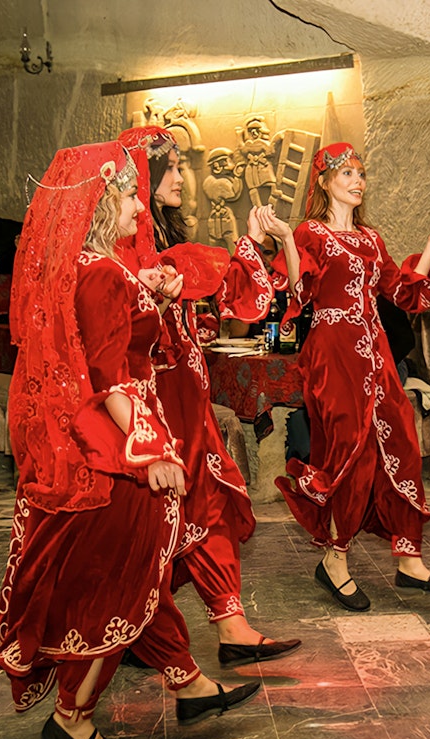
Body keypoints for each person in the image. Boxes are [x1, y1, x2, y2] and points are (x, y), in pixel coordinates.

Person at [0, 139, 257, 739]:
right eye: (131, 194)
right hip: (120, 449)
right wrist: (151, 450)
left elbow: (108, 343)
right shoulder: (104, 273)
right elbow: (112, 376)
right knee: (121, 587)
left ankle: (188, 683)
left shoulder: (91, 268)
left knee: (140, 578)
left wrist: (154, 297)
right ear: (102, 198)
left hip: (110, 440)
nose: (141, 209)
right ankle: (73, 718)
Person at [116, 125, 301, 666]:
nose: (180, 176)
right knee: (160, 517)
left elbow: (223, 292)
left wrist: (248, 244)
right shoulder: (122, 247)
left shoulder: (167, 240)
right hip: (153, 402)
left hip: (186, 395)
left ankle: (229, 627)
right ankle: (131, 626)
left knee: (208, 504)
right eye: (170, 169)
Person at [259, 142, 430, 612]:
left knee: (403, 442)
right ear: (326, 182)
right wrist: (288, 240)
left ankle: (409, 559)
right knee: (349, 450)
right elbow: (296, 288)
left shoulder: (371, 239)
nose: (357, 181)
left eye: (361, 174)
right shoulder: (312, 231)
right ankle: (335, 560)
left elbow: (399, 289)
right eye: (347, 173)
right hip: (332, 351)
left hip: (375, 351)